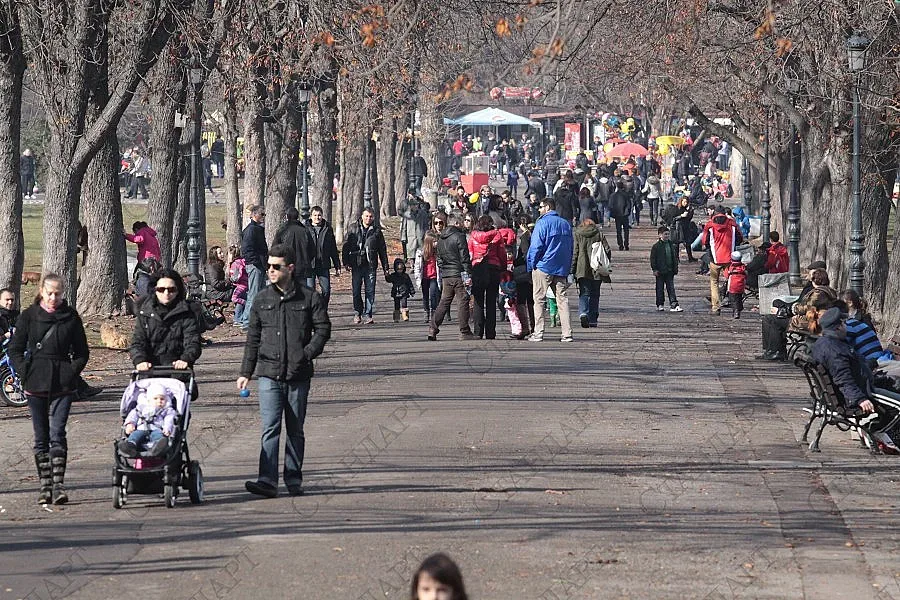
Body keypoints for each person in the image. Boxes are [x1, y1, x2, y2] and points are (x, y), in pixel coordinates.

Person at [237, 244, 331, 497]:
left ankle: (293, 478)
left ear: (290, 268)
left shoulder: (309, 297)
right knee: (270, 428)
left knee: (295, 429)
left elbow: (323, 329)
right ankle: (267, 480)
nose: (270, 271)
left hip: (298, 375)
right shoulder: (262, 299)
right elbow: (253, 338)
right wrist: (245, 372)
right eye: (268, 266)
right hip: (268, 373)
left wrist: (306, 353)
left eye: (276, 267)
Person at [8, 274, 89, 505]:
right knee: (41, 436)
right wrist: (24, 371)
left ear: (63, 293)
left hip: (62, 382)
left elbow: (82, 352)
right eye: (49, 293)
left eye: (58, 293)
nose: (53, 298)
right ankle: (45, 485)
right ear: (41, 291)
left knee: (58, 433)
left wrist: (70, 372)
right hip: (36, 382)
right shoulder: (29, 317)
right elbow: (15, 349)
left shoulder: (71, 317)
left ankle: (58, 485)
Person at [812, 307, 900, 453]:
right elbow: (843, 378)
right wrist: (860, 399)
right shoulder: (835, 350)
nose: (847, 326)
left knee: (894, 384)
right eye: (844, 323)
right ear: (839, 326)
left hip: (858, 385)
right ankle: (876, 429)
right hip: (860, 392)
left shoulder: (824, 343)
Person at [130, 268, 202, 374]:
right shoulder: (145, 313)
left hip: (178, 373)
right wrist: (140, 360)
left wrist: (185, 359)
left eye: (171, 289)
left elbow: (193, 342)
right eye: (161, 289)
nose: (166, 293)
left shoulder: (187, 313)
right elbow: (138, 342)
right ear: (155, 290)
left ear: (178, 291)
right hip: (149, 373)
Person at [757, 260, 827, 361]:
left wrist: (787, 310)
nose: (808, 274)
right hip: (806, 317)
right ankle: (771, 350)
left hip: (807, 322)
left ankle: (776, 351)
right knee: (774, 311)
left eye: (811, 272)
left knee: (770, 319)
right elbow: (802, 303)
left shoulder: (817, 292)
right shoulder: (815, 288)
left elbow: (805, 308)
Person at [527, 198, 574, 342]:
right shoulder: (565, 224)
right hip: (561, 267)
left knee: (539, 299)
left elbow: (535, 246)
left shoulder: (542, 223)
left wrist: (531, 264)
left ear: (547, 207)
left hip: (543, 266)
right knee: (562, 299)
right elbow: (571, 246)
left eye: (541, 207)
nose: (539, 210)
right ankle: (567, 333)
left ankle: (538, 332)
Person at [468, 216, 516, 339]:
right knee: (491, 301)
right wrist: (504, 268)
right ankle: (490, 332)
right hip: (493, 268)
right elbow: (501, 253)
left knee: (478, 301)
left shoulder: (473, 236)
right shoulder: (497, 235)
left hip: (478, 268)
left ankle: (478, 331)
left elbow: (470, 253)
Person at [428, 214, 474, 341]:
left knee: (444, 302)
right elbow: (464, 257)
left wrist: (444, 270)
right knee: (462, 301)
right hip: (458, 273)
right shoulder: (459, 237)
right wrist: (467, 273)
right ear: (456, 223)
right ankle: (464, 331)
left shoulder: (441, 238)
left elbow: (439, 259)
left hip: (447, 275)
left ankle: (433, 327)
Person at [697, 206, 743, 315]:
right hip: (730, 258)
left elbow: (704, 241)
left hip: (715, 258)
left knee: (714, 282)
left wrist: (710, 249)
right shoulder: (732, 223)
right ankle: (735, 308)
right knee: (732, 281)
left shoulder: (710, 225)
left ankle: (716, 307)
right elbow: (740, 238)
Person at [117, 382, 177, 457]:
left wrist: (167, 428)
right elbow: (133, 416)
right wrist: (130, 424)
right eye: (155, 398)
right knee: (135, 435)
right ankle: (130, 446)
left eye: (162, 399)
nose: (159, 401)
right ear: (149, 400)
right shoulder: (141, 408)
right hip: (141, 428)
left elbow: (169, 419)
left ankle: (157, 447)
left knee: (159, 436)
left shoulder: (167, 410)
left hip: (157, 429)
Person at [570, 218, 610, 328]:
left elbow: (575, 252)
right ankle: (593, 319)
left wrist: (572, 270)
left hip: (582, 269)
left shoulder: (578, 234)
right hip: (597, 268)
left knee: (584, 293)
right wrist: (606, 264)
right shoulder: (599, 234)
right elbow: (607, 250)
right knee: (595, 294)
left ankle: (583, 312)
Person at [237, 205, 268, 330]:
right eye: (262, 214)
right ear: (255, 215)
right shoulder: (251, 230)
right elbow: (246, 249)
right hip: (255, 265)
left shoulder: (257, 229)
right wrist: (255, 262)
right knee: (253, 294)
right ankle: (246, 320)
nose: (263, 217)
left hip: (260, 265)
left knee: (260, 293)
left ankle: (255, 319)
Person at [306, 206, 341, 308]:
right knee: (310, 290)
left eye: (319, 215)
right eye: (315, 215)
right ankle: (312, 312)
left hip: (323, 264)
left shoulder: (327, 229)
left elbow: (333, 249)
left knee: (326, 290)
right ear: (311, 216)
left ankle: (322, 308)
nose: (317, 217)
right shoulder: (305, 229)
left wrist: (337, 265)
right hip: (310, 265)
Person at [273, 207, 316, 283]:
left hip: (286, 266)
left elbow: (275, 249)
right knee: (301, 291)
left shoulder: (282, 230)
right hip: (302, 267)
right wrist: (306, 259)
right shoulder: (304, 230)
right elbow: (312, 250)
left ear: (287, 216)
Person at [650, 226, 682, 312]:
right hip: (660, 271)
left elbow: (674, 257)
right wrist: (654, 269)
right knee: (659, 288)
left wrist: (675, 267)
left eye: (668, 234)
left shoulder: (671, 244)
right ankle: (660, 304)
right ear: (660, 235)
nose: (667, 236)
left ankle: (674, 304)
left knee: (671, 288)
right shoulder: (656, 247)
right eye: (665, 234)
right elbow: (653, 259)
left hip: (670, 270)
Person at [415, 231, 441, 323]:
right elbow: (417, 267)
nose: (436, 243)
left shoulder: (437, 253)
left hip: (434, 277)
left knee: (433, 295)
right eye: (434, 242)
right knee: (425, 296)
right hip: (425, 277)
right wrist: (418, 278)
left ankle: (434, 312)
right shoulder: (421, 253)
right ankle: (426, 311)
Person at [400, 194, 431, 261]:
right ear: (410, 206)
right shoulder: (407, 214)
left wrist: (426, 235)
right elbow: (404, 227)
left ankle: (420, 266)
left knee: (420, 253)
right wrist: (403, 237)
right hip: (410, 237)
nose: (415, 206)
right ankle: (412, 266)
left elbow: (426, 225)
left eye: (416, 205)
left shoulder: (423, 214)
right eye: (413, 205)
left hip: (421, 237)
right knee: (411, 254)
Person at [386, 258, 415, 322]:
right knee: (396, 305)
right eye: (398, 269)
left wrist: (412, 291)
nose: (400, 270)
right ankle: (396, 318)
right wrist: (387, 275)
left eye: (401, 269)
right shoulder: (393, 275)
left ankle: (405, 316)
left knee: (404, 304)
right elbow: (389, 280)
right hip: (396, 292)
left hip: (404, 292)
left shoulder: (405, 276)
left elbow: (409, 284)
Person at [608, 179, 633, 251]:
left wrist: (613, 214)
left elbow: (610, 206)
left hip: (617, 215)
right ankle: (626, 244)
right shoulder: (626, 195)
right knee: (626, 230)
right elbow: (629, 204)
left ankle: (620, 244)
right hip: (624, 215)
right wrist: (627, 212)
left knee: (618, 231)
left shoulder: (613, 195)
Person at [723, 251, 747, 319]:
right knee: (739, 298)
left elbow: (726, 275)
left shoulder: (730, 266)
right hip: (741, 286)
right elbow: (746, 274)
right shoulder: (743, 267)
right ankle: (739, 308)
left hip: (732, 286)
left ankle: (736, 311)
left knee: (733, 299)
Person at [228, 246, 249, 326]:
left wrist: (231, 280)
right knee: (240, 301)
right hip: (245, 284)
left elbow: (236, 277)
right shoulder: (242, 261)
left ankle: (247, 304)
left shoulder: (235, 264)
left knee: (235, 298)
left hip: (241, 285)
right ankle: (238, 318)